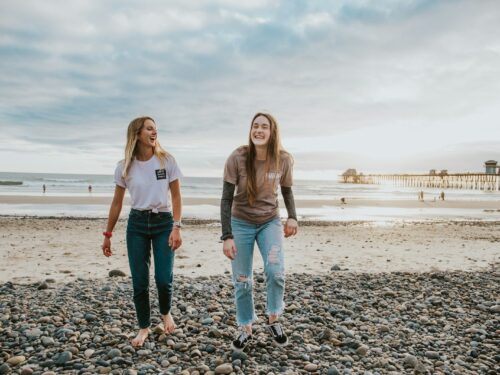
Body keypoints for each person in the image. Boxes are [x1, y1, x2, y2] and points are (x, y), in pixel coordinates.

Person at [101, 116, 183, 347]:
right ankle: (144, 327)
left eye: (155, 128)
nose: (154, 132)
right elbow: (117, 203)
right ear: (137, 134)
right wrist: (108, 234)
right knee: (140, 281)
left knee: (163, 279)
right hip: (136, 224)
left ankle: (166, 312)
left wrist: (177, 226)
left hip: (163, 222)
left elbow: (176, 196)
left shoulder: (166, 161)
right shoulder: (124, 166)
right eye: (149, 128)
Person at [220, 112, 298, 352]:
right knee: (242, 280)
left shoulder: (283, 160)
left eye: (264, 127)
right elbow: (225, 199)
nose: (259, 130)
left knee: (276, 272)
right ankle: (246, 327)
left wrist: (293, 217)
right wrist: (227, 236)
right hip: (240, 222)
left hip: (269, 222)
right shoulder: (238, 157)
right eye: (255, 126)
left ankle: (274, 318)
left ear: (272, 132)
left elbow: (286, 191)